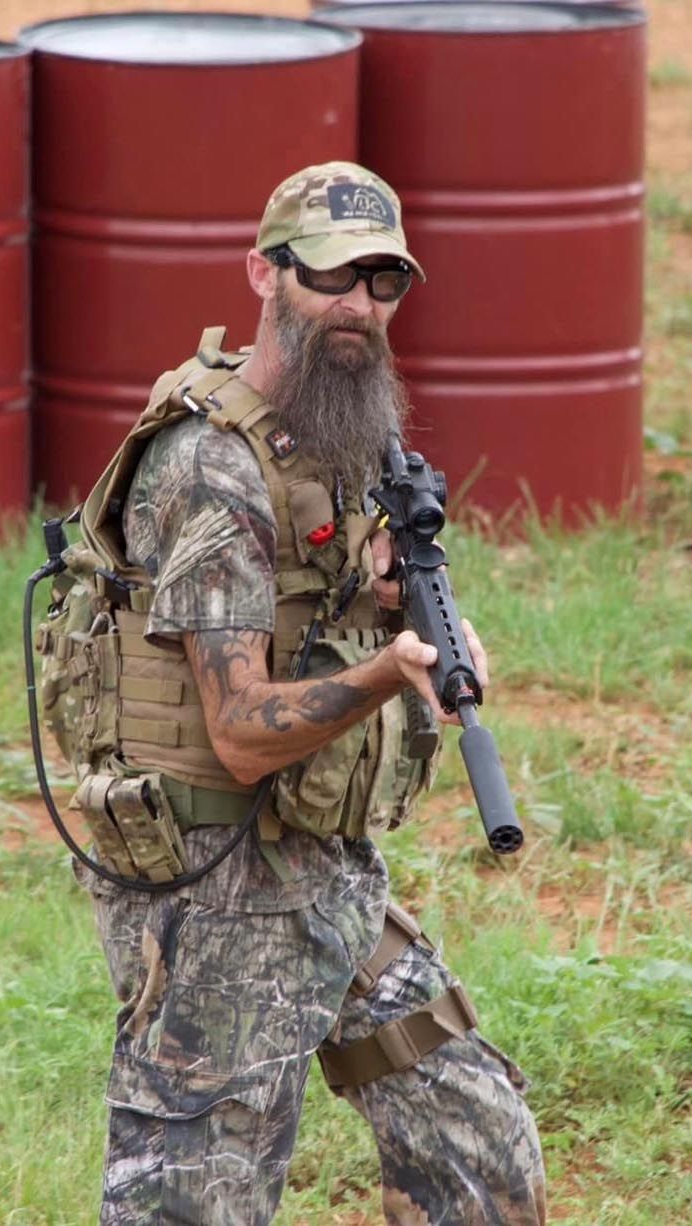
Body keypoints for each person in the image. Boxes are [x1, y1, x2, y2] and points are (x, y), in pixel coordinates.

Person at [67, 162, 546, 1224]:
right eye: (333, 278)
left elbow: (318, 603)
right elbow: (239, 732)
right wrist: (386, 671)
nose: (358, 307)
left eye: (383, 284)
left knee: (480, 1149)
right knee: (196, 1205)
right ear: (264, 273)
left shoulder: (342, 428)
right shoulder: (209, 468)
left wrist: (393, 608)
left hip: (321, 867)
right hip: (213, 894)